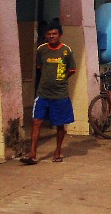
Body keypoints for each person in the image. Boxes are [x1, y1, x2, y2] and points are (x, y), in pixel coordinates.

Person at [21, 20, 76, 165]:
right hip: (42, 94)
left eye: (54, 34)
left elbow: (72, 69)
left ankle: (58, 151)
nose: (52, 36)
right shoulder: (41, 50)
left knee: (59, 125)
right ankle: (32, 154)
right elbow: (40, 67)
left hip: (60, 95)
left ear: (60, 35)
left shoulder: (66, 51)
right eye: (49, 34)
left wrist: (60, 80)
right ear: (45, 35)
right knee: (36, 121)